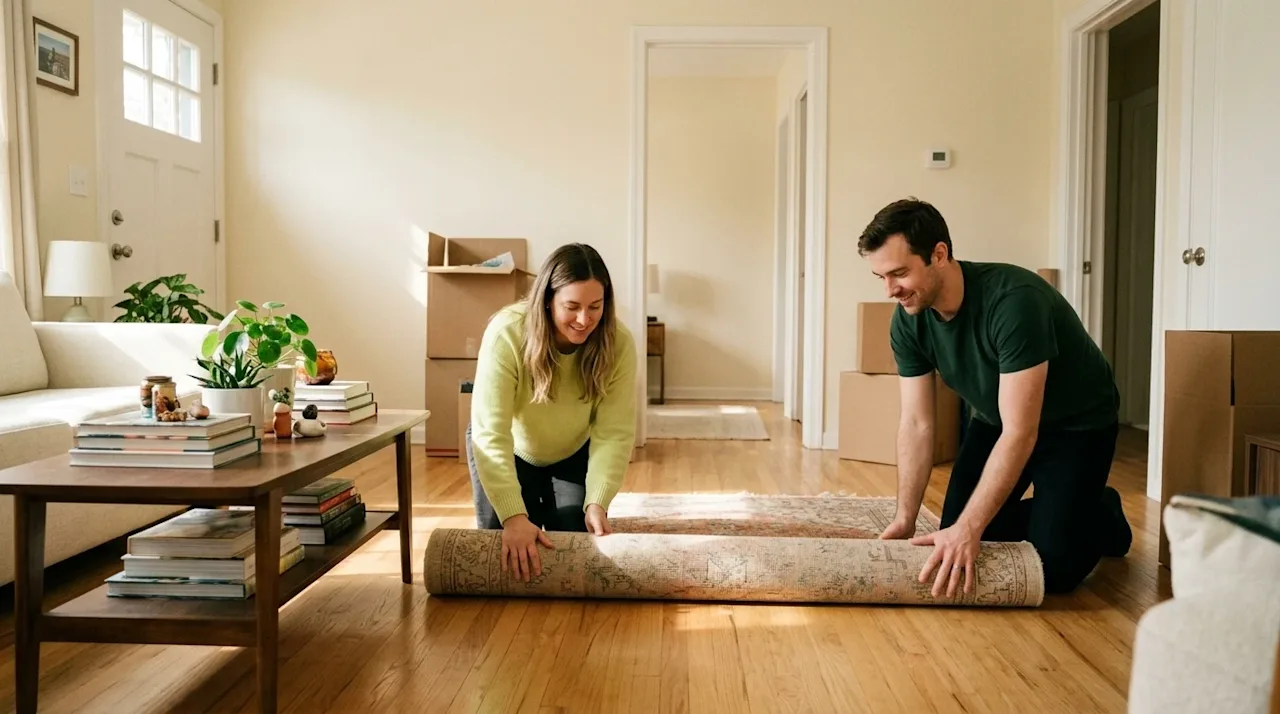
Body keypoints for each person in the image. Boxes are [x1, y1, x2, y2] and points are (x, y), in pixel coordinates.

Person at [857, 197, 1132, 597]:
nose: (889, 290)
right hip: (996, 419)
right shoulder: (908, 320)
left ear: (939, 254)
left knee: (1050, 569)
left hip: (1077, 423)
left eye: (899, 273)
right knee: (955, 531)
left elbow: (1022, 432)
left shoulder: (1014, 301)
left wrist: (971, 527)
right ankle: (1065, 509)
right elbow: (917, 423)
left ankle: (1101, 510)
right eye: (880, 277)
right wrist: (906, 517)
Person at [466, 242, 637, 583]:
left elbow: (613, 432)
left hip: (572, 451)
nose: (583, 320)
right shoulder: (507, 333)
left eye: (595, 306)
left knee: (572, 545)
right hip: (511, 449)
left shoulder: (619, 344)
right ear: (547, 299)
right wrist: (513, 516)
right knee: (504, 551)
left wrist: (598, 501)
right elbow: (490, 432)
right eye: (571, 306)